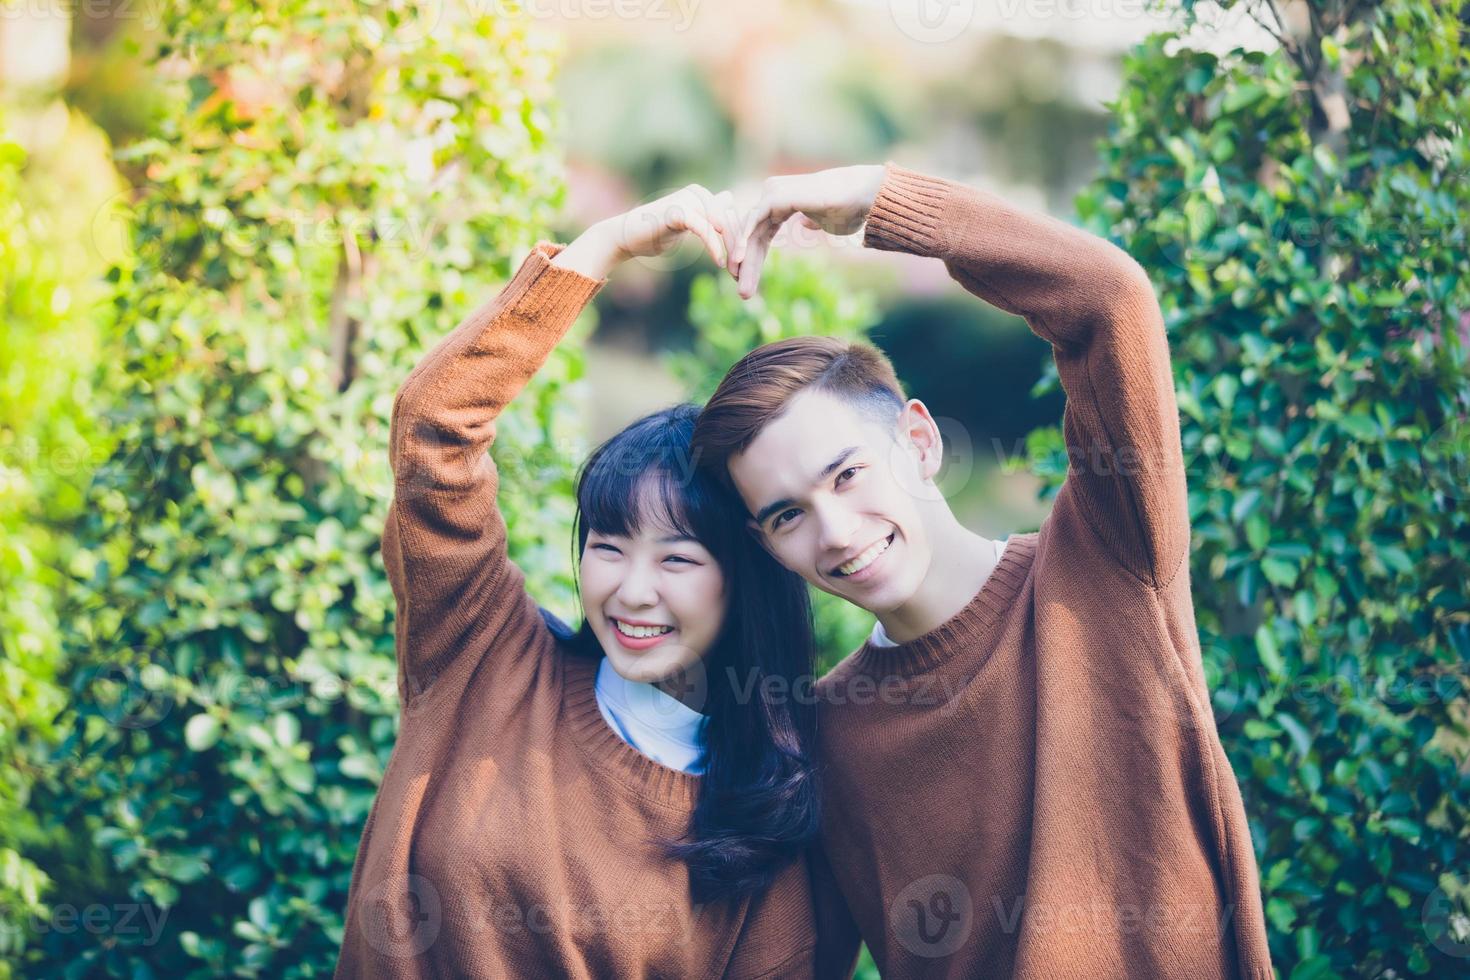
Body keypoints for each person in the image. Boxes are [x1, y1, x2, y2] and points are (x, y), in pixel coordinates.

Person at [691, 162, 1275, 978]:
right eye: (787, 514)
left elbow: (1110, 301)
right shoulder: (828, 733)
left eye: (848, 474)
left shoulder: (1104, 560)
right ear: (767, 545)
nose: (834, 530)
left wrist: (880, 199)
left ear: (920, 442)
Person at [335, 187, 832, 978]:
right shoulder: (482, 656)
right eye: (609, 547)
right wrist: (605, 247)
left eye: (677, 560)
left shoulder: (776, 812)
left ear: (745, 578)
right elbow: (434, 431)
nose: (632, 592)